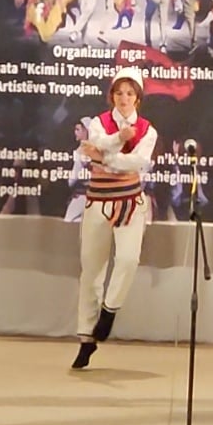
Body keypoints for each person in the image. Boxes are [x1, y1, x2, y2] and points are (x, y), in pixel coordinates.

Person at [71, 67, 158, 369]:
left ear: (138, 98)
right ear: (112, 95)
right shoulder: (99, 122)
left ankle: (109, 311)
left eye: (130, 93)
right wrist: (118, 138)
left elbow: (139, 162)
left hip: (131, 202)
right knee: (91, 270)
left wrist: (104, 157)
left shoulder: (148, 130)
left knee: (128, 259)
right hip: (98, 201)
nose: (124, 98)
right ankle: (86, 338)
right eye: (119, 93)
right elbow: (96, 141)